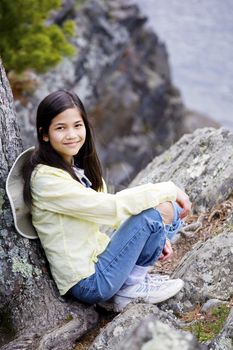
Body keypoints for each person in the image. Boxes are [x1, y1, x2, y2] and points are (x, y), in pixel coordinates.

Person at [21, 90, 191, 312]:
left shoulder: (75, 168)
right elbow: (111, 209)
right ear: (45, 134)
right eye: (61, 128)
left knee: (167, 213)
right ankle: (129, 289)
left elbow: (106, 218)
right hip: (89, 282)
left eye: (77, 125)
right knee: (158, 210)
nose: (72, 134)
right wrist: (167, 188)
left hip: (98, 261)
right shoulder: (46, 180)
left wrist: (154, 235)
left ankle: (130, 285)